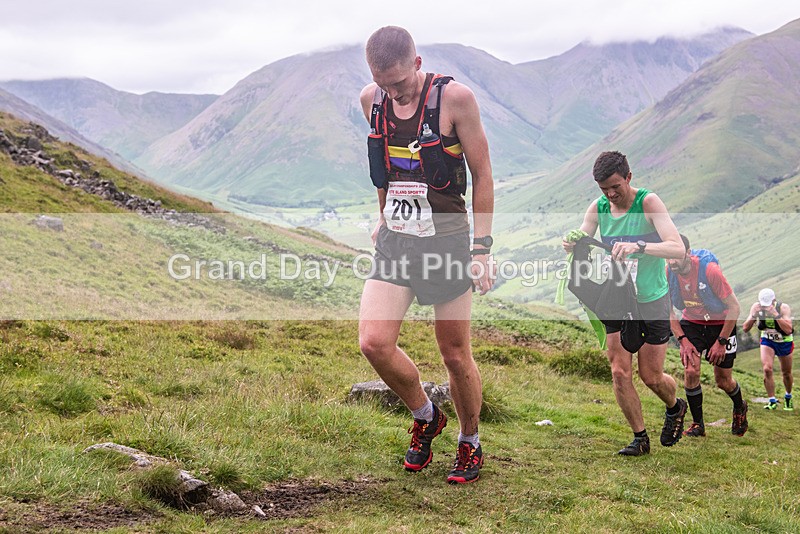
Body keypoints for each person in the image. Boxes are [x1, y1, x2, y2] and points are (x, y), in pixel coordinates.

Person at [358, 26, 494, 484]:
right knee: (373, 342)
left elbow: (483, 175)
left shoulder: (455, 100)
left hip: (448, 239)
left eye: (399, 82)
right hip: (398, 236)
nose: (392, 92)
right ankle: (425, 414)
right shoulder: (371, 100)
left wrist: (483, 249)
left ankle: (469, 440)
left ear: (417, 64)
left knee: (454, 354)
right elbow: (387, 167)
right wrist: (382, 214)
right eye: (383, 83)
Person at [563, 151, 686, 456]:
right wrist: (571, 243)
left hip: (651, 298)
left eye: (615, 186)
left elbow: (678, 248)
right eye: (604, 188)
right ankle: (639, 438)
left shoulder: (648, 203)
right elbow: (583, 237)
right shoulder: (599, 207)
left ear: (629, 177)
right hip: (618, 296)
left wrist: (639, 246)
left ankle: (675, 405)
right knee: (619, 371)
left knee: (651, 376)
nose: (610, 194)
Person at [667, 235, 748, 437]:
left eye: (676, 256)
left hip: (720, 324)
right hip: (692, 322)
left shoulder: (709, 270)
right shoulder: (669, 272)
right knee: (691, 371)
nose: (672, 261)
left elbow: (734, 308)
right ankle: (698, 424)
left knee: (723, 380)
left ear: (688, 253)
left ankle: (740, 407)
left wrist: (721, 341)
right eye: (668, 257)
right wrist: (682, 340)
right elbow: (667, 310)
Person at [743, 288, 794, 411]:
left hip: (784, 341)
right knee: (767, 369)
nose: (765, 307)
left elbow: (788, 330)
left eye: (767, 304)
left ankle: (788, 396)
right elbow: (745, 328)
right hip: (768, 340)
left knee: (786, 373)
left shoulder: (783, 308)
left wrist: (776, 315)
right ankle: (772, 400)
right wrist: (754, 315)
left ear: (774, 301)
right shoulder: (756, 307)